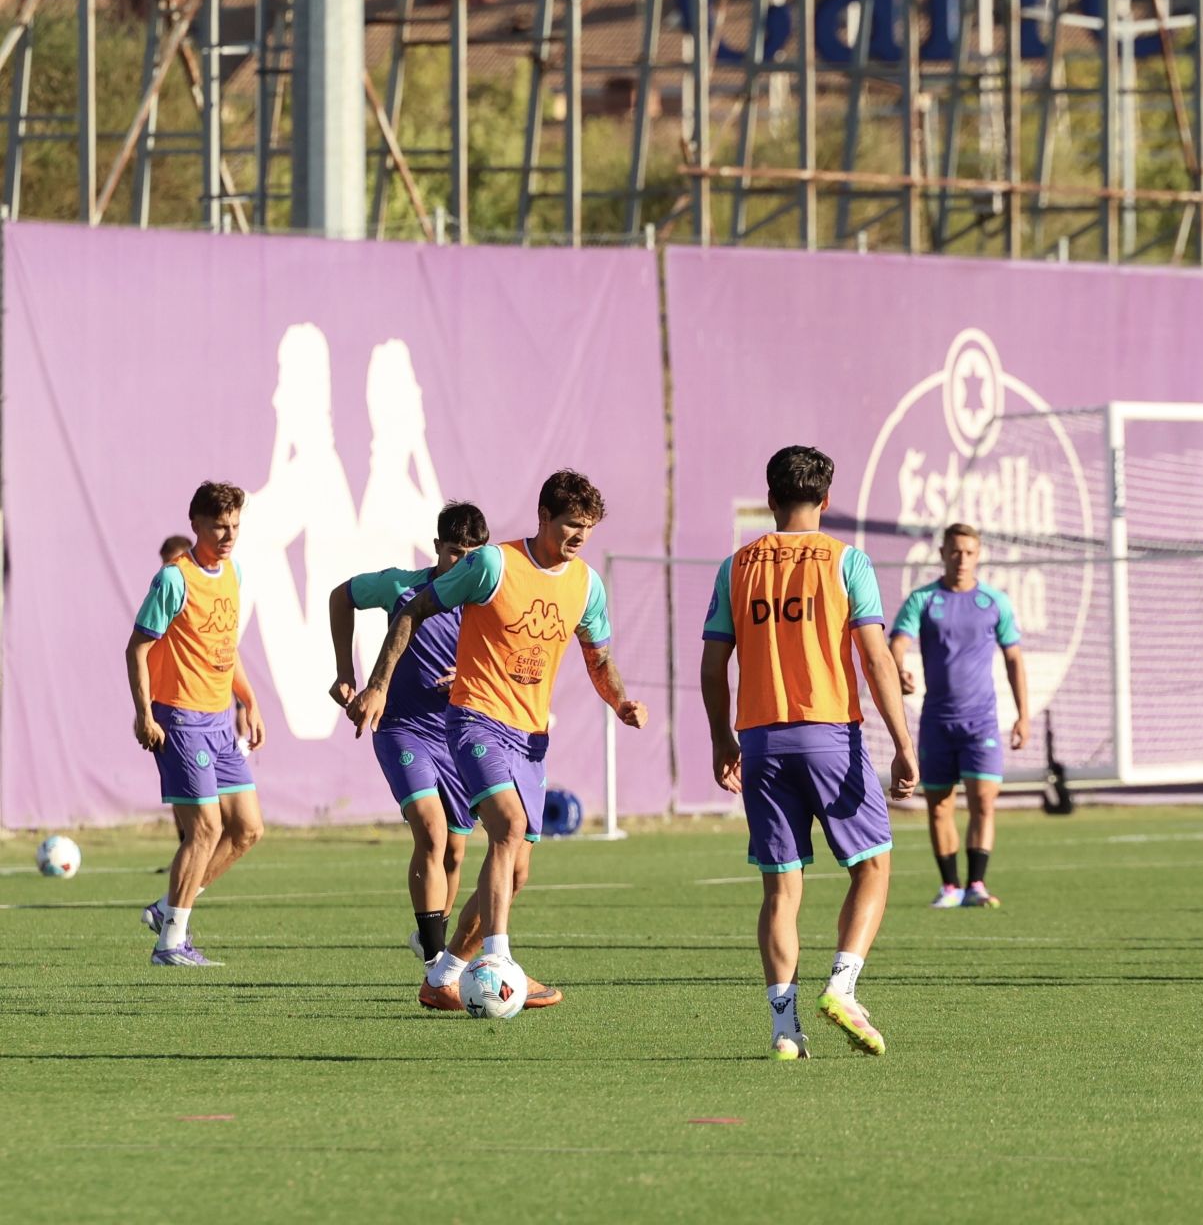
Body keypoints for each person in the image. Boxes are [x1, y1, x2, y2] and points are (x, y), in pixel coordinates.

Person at [348, 470, 647, 1011]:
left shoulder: (587, 585)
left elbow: (598, 658)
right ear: (543, 517)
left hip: (530, 737)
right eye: (569, 525)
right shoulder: (492, 565)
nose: (578, 537)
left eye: (587, 528)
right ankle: (500, 961)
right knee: (505, 827)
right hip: (475, 721)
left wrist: (619, 700)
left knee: (519, 870)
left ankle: (444, 976)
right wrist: (376, 685)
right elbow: (415, 609)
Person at [701, 445, 917, 1061]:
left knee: (781, 891)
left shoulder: (736, 565)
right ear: (826, 501)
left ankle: (783, 1030)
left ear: (770, 499)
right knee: (872, 867)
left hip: (763, 742)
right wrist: (903, 744)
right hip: (829, 737)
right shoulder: (848, 561)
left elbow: (713, 665)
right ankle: (843, 987)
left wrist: (723, 737)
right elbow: (875, 658)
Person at [329, 501, 490, 985]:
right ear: (437, 547)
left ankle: (430, 936)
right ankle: (436, 967)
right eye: (455, 553)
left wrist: (468, 677)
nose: (463, 565)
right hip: (403, 729)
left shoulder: (488, 599)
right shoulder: (403, 586)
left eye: (474, 555)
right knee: (430, 831)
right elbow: (342, 596)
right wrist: (344, 672)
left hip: (459, 734)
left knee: (456, 853)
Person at [126, 481, 268, 966]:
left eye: (234, 526)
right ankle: (170, 943)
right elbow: (137, 648)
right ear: (196, 525)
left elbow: (224, 649)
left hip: (220, 721)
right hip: (180, 719)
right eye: (218, 526)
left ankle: (169, 906)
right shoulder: (174, 579)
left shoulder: (232, 573)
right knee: (205, 827)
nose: (228, 535)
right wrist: (144, 713)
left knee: (248, 829)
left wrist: (249, 700)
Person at [889, 523, 1029, 909]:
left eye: (969, 552)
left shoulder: (994, 602)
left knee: (983, 800)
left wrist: (1023, 715)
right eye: (955, 551)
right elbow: (897, 642)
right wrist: (898, 668)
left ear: (978, 554)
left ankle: (977, 884)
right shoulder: (923, 600)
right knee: (939, 804)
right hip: (937, 721)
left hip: (981, 721)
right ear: (942, 553)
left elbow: (1014, 658)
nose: (961, 558)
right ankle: (950, 887)